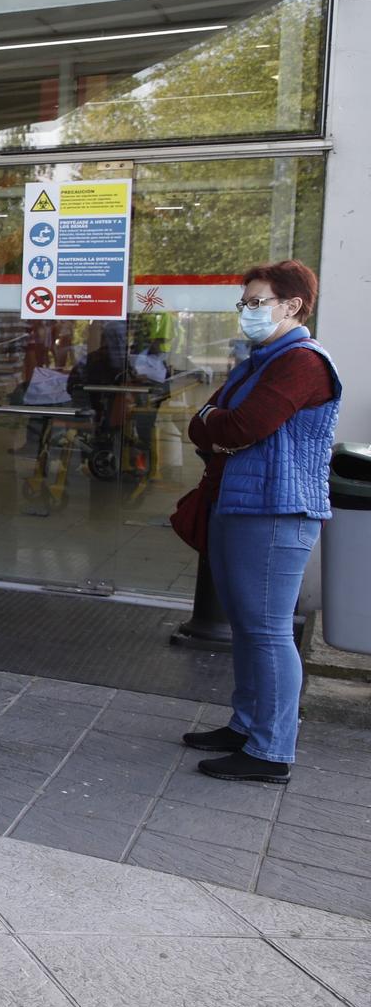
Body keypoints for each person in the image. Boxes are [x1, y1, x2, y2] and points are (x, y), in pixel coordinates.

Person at [181, 261, 340, 784]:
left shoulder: (302, 363)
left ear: (291, 305)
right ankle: (246, 724)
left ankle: (271, 751)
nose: (247, 311)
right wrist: (219, 428)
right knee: (249, 629)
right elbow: (202, 422)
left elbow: (245, 423)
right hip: (242, 504)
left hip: (275, 510)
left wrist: (222, 427)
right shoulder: (260, 360)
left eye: (256, 301)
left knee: (268, 632)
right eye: (244, 303)